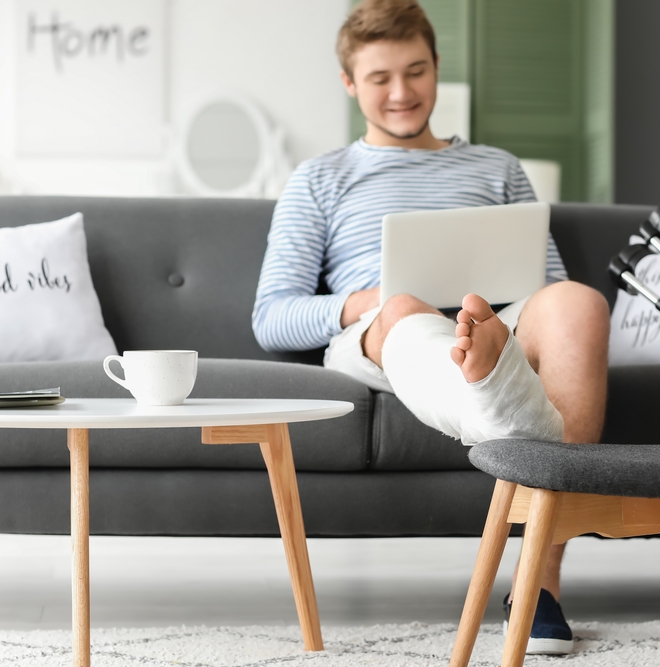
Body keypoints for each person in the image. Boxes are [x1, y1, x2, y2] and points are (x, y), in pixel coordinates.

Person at [252, 0, 609, 655]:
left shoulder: (498, 167)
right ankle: (489, 390)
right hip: (385, 331)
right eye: (380, 78)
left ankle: (539, 583)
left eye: (415, 72)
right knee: (404, 305)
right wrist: (367, 300)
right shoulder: (320, 179)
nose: (401, 92)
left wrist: (505, 315)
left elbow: (548, 285)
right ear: (349, 83)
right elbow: (272, 315)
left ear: (438, 66)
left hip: (494, 317)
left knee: (579, 303)